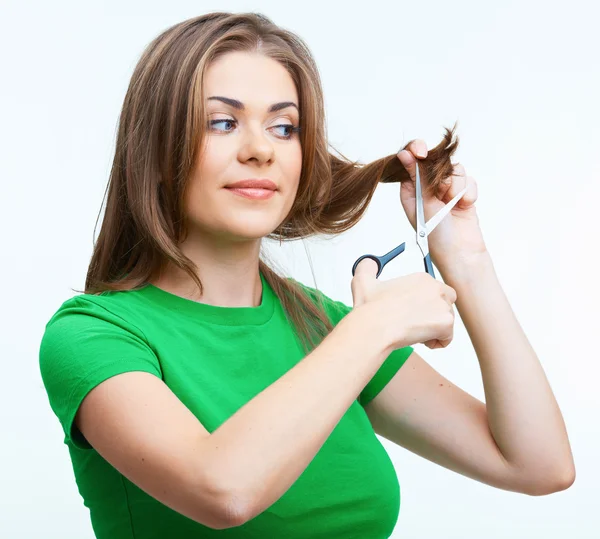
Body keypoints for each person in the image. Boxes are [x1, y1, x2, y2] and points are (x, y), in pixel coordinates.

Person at [38, 11, 575, 539]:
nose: (260, 150)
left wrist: (467, 259)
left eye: (284, 127)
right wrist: (372, 330)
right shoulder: (92, 335)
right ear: (157, 150)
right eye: (222, 122)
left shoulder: (324, 327)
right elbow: (223, 491)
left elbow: (538, 465)